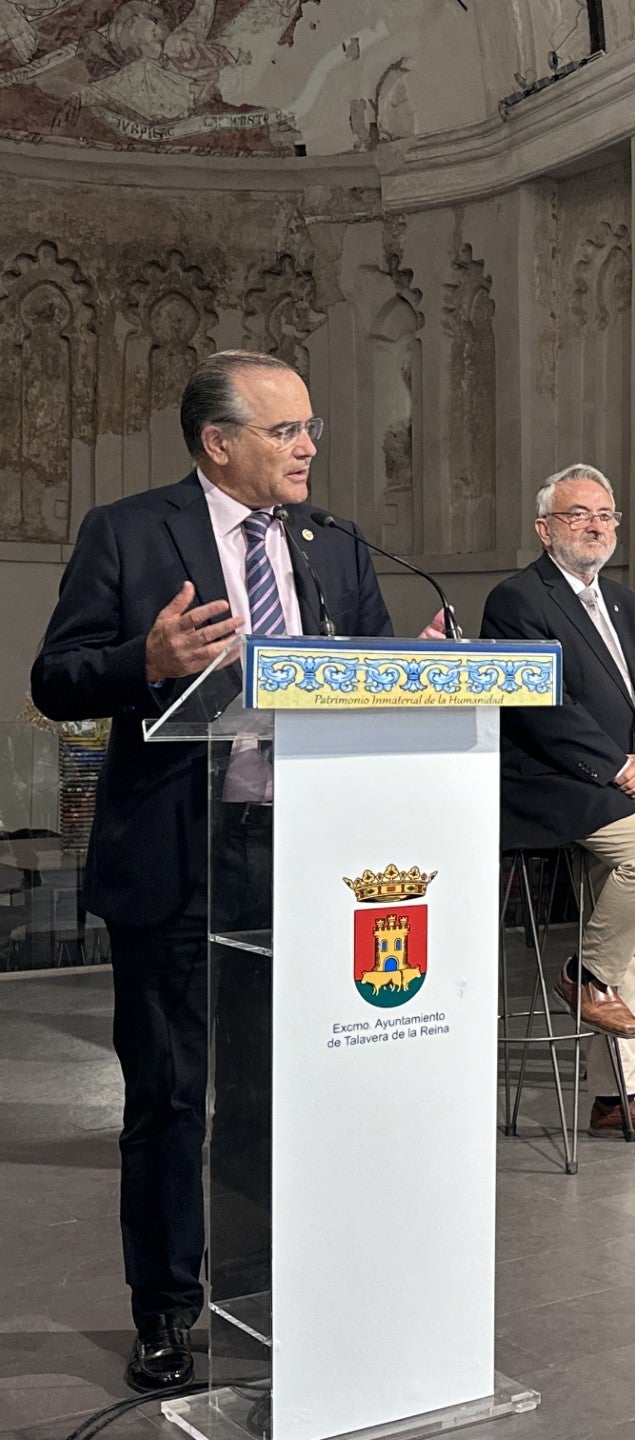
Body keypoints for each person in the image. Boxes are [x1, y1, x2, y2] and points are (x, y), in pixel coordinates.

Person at [30, 350, 394, 1393]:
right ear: (218, 443)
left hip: (307, 858)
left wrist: (410, 663)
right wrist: (144, 663)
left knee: (286, 1094)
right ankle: (169, 1312)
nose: (309, 448)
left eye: (312, 429)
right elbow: (56, 677)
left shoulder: (336, 544)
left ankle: (274, 1287)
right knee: (173, 1101)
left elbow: (362, 671)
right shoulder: (128, 531)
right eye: (287, 432)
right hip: (181, 856)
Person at [480, 465, 635, 1142]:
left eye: (606, 514)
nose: (597, 525)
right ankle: (585, 974)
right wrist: (620, 770)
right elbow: (540, 708)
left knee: (628, 905)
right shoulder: (516, 599)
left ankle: (618, 1096)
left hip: (630, 774)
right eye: (579, 515)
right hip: (552, 781)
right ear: (545, 529)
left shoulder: (631, 605)